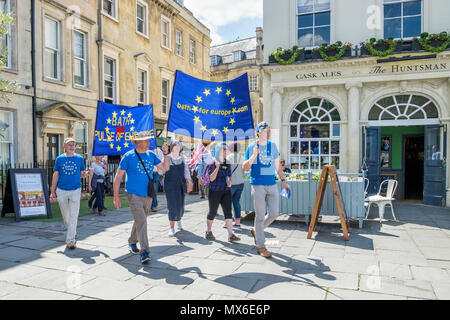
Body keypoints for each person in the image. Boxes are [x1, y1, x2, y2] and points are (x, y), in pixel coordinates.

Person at [113, 132, 169, 264]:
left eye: (148, 141)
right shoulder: (128, 156)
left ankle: (132, 241)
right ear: (138, 142)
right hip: (133, 194)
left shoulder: (151, 155)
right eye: (146, 141)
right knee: (142, 221)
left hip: (148, 194)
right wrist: (116, 196)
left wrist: (166, 154)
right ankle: (145, 252)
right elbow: (118, 177)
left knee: (140, 220)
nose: (149, 143)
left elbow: (165, 168)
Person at [243, 121, 290, 258]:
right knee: (259, 215)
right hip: (258, 185)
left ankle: (256, 231)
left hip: (272, 184)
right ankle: (261, 245)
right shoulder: (252, 146)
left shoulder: (272, 146)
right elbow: (244, 168)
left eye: (269, 130)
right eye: (266, 130)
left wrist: (284, 182)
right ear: (259, 132)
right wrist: (253, 156)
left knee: (275, 213)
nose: (269, 133)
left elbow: (277, 167)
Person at [50, 137, 88, 250]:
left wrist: (86, 173)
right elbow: (55, 175)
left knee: (73, 215)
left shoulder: (79, 158)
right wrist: (52, 191)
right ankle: (72, 231)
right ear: (64, 146)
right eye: (69, 144)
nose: (72, 146)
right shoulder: (59, 159)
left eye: (73, 144)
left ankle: (71, 240)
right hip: (61, 190)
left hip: (75, 189)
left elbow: (82, 174)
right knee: (66, 216)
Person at [205, 143, 240, 243]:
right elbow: (211, 178)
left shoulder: (227, 162)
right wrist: (217, 167)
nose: (226, 151)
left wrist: (230, 181)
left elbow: (229, 175)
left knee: (228, 212)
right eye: (224, 149)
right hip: (214, 191)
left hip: (225, 191)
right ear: (218, 150)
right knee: (213, 212)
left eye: (227, 149)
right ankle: (208, 231)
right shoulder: (212, 162)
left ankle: (230, 234)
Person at [163, 139, 193, 237]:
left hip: (180, 185)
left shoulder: (183, 158)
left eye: (178, 144)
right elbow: (162, 171)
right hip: (170, 185)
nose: (177, 146)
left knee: (180, 205)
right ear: (171, 146)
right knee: (172, 206)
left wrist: (189, 182)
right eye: (174, 144)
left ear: (180, 147)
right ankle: (171, 228)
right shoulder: (167, 157)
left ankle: (179, 219)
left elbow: (186, 172)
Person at [226, 142, 245, 228]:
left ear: (231, 149)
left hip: (231, 183)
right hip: (240, 183)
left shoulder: (228, 158)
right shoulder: (243, 158)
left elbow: (226, 171)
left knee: (227, 203)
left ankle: (228, 222)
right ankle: (238, 222)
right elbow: (244, 170)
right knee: (236, 202)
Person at [150, 143, 165, 212]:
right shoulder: (146, 150)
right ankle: (152, 204)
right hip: (147, 173)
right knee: (147, 189)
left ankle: (153, 205)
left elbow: (162, 161)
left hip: (155, 173)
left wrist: (161, 172)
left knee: (154, 189)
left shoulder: (158, 151)